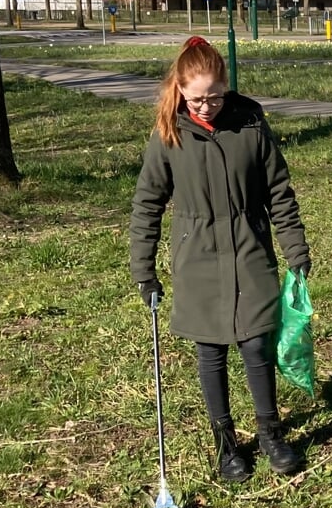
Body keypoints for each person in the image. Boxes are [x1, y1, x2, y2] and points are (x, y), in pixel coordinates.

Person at [130, 36, 311, 482]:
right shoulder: (169, 133)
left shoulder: (250, 125)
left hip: (250, 249)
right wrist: (144, 270)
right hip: (197, 257)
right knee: (210, 349)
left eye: (214, 96)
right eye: (196, 98)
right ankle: (226, 443)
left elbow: (279, 193)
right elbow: (147, 203)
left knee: (256, 343)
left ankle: (271, 432)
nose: (206, 106)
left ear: (226, 86)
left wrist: (296, 250)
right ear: (180, 90)